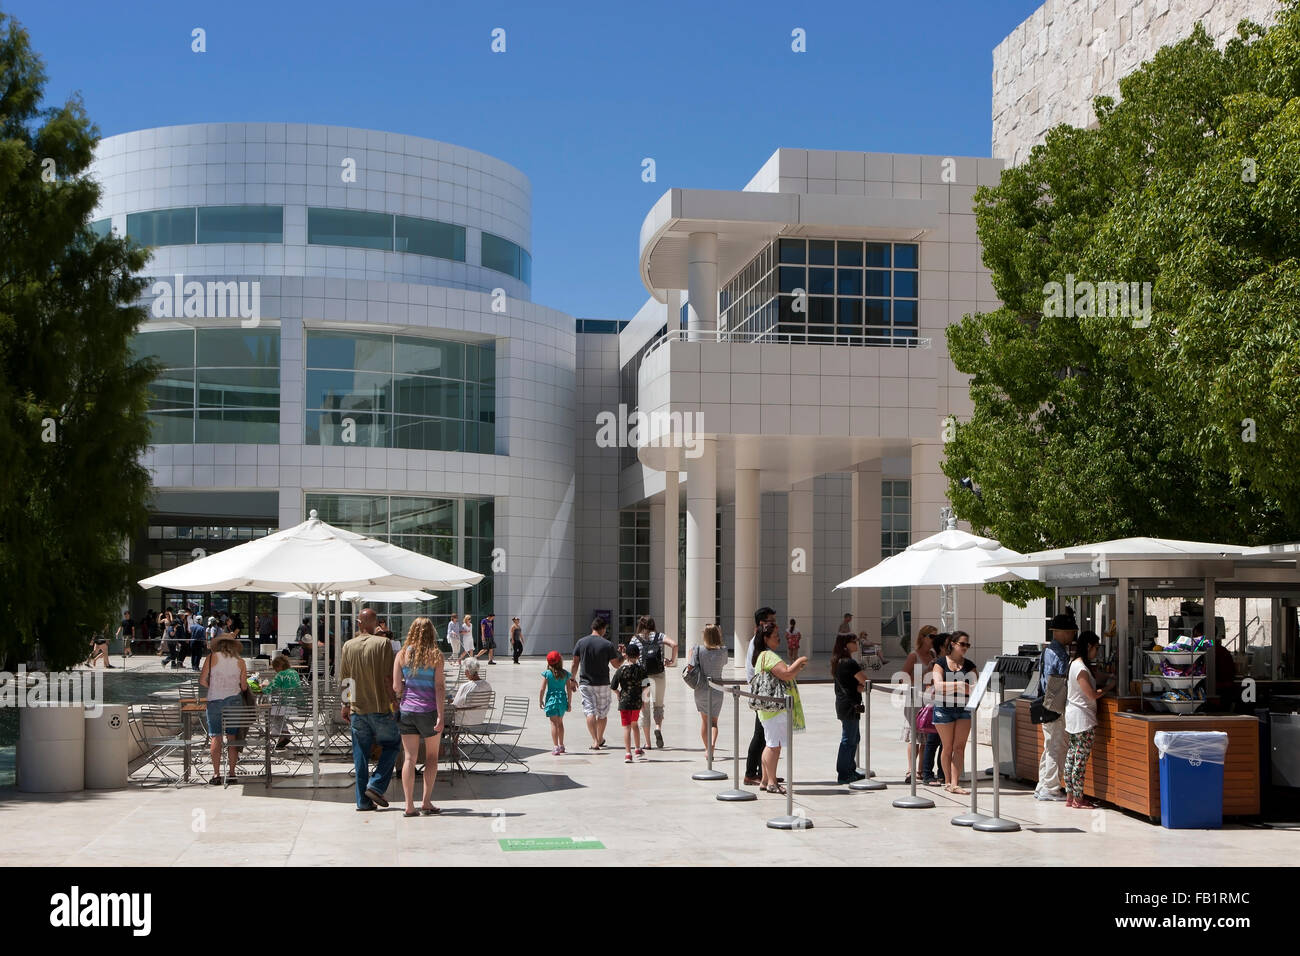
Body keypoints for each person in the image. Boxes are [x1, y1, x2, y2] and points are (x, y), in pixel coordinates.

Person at [339, 609, 400, 812]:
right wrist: (394, 701)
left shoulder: (348, 645)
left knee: (361, 755)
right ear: (376, 625)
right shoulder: (383, 644)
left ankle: (362, 801)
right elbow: (387, 678)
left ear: (359, 623)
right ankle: (376, 785)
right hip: (380, 707)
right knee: (392, 745)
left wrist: (346, 705)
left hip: (357, 709)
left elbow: (346, 679)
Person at [393, 617, 446, 817]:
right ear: (431, 633)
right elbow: (439, 687)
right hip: (429, 711)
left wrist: (407, 691)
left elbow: (396, 687)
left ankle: (409, 805)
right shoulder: (436, 656)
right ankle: (426, 801)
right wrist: (441, 716)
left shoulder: (401, 655)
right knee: (432, 757)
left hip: (407, 711)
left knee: (409, 758)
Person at [753, 619, 808, 793]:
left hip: (768, 708)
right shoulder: (768, 656)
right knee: (773, 746)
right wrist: (800, 661)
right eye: (776, 636)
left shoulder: (762, 655)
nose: (779, 639)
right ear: (766, 638)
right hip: (775, 708)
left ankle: (764, 779)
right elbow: (786, 674)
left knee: (770, 744)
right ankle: (771, 782)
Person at [1065, 629, 1108, 809]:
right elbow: (1090, 694)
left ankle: (1069, 796)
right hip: (1083, 718)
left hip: (1074, 718)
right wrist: (1106, 689)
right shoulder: (1081, 668)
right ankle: (1078, 798)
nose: (1097, 651)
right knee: (1080, 760)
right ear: (1089, 646)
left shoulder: (1074, 664)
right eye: (1096, 647)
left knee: (1071, 757)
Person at [1035, 612, 1076, 802]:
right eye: (1069, 632)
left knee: (1049, 745)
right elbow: (1060, 680)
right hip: (1056, 706)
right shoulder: (1059, 653)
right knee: (1056, 746)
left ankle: (1042, 785)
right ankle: (1051, 788)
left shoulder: (1047, 651)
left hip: (1047, 703)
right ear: (1058, 632)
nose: (1072, 635)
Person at [931, 629, 977, 794]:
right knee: (947, 747)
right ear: (953, 644)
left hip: (964, 709)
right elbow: (937, 687)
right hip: (944, 709)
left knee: (959, 748)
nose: (965, 647)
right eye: (962, 644)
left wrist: (954, 687)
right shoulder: (941, 663)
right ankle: (948, 781)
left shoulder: (970, 665)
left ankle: (955, 783)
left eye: (967, 645)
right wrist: (958, 685)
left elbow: (974, 689)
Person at [199, 635, 248, 785]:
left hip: (214, 700)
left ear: (218, 646)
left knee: (216, 737)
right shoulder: (241, 662)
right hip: (233, 700)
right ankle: (232, 773)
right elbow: (244, 687)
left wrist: (213, 688)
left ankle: (216, 774)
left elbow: (202, 680)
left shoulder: (211, 657)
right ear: (234, 646)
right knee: (232, 737)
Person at [572, 617, 621, 750]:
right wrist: (623, 656)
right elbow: (616, 665)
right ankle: (600, 738)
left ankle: (594, 741)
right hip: (603, 683)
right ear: (603, 628)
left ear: (592, 627)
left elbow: (575, 662)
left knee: (589, 711)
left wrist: (572, 679)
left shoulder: (581, 642)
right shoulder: (607, 644)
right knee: (602, 713)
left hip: (585, 683)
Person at [630, 615, 676, 749]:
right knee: (658, 705)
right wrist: (671, 661)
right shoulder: (659, 636)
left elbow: (630, 655)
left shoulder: (635, 639)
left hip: (643, 678)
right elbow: (674, 644)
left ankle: (648, 743)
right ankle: (658, 728)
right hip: (659, 675)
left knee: (644, 708)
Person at [745, 606, 779, 786]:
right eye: (771, 621)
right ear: (762, 623)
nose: (775, 624)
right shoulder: (757, 644)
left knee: (764, 734)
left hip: (763, 692)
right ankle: (752, 773)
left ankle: (765, 773)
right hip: (762, 693)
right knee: (760, 735)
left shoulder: (758, 642)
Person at [901, 624, 939, 784]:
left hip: (928, 698)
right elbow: (903, 678)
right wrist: (925, 672)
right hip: (914, 698)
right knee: (915, 735)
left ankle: (921, 770)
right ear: (922, 637)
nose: (934, 640)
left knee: (926, 734)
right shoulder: (913, 655)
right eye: (931, 636)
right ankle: (910, 770)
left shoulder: (932, 654)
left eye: (936, 637)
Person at [831, 632, 868, 784]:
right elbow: (865, 681)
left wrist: (858, 687)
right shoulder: (849, 663)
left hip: (843, 703)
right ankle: (844, 773)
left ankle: (850, 769)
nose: (856, 644)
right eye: (854, 641)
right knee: (849, 739)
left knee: (853, 737)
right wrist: (860, 687)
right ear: (846, 644)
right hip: (850, 704)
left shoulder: (838, 661)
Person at [688, 624, 728, 755]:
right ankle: (712, 745)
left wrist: (690, 655)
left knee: (704, 721)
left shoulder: (697, 650)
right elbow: (724, 662)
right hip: (717, 689)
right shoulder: (723, 651)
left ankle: (707, 749)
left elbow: (690, 667)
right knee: (714, 722)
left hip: (701, 689)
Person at [611, 642, 649, 763]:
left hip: (624, 702)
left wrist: (618, 694)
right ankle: (637, 748)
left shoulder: (620, 670)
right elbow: (646, 686)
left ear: (626, 655)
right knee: (635, 725)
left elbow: (613, 686)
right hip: (636, 702)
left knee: (626, 727)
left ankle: (628, 753)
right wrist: (644, 700)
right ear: (638, 656)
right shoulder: (642, 670)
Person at [920, 632, 948, 787]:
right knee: (933, 741)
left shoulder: (949, 662)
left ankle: (942, 773)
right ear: (942, 646)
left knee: (945, 743)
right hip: (937, 705)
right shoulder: (936, 663)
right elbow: (928, 682)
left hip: (948, 705)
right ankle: (927, 774)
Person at [539, 650, 575, 754]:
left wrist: (540, 700)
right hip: (562, 700)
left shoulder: (547, 674)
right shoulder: (565, 674)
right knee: (560, 723)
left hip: (551, 701)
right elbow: (569, 689)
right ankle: (562, 745)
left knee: (554, 724)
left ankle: (555, 747)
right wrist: (569, 703)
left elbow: (542, 689)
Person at [266, 654, 303, 749]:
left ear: (279, 666)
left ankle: (277, 733)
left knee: (268, 710)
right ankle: (284, 733)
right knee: (276, 711)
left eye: (275, 668)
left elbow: (271, 689)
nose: (275, 670)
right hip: (295, 705)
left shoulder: (281, 674)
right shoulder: (294, 673)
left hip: (284, 705)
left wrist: (263, 687)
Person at [450, 656, 492, 726]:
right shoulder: (487, 685)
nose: (465, 674)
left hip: (462, 720)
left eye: (465, 671)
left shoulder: (465, 686)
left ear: (467, 671)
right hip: (479, 719)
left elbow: (455, 705)